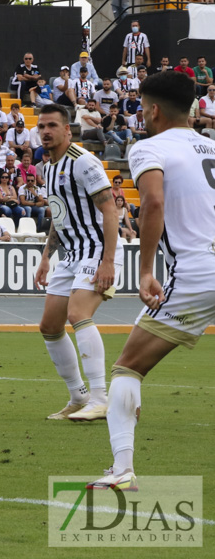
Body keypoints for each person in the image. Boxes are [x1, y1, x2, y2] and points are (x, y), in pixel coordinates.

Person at [87, 71, 215, 491]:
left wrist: (145, 270)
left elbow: (154, 201)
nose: (141, 115)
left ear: (154, 110)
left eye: (142, 108)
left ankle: (122, 469)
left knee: (127, 368)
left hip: (197, 273)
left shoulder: (149, 147)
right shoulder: (211, 147)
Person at [34, 104, 122, 422]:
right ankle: (78, 396)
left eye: (52, 125)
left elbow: (110, 210)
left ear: (67, 130)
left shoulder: (83, 161)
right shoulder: (49, 168)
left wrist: (108, 262)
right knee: (50, 326)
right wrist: (46, 258)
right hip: (71, 255)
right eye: (41, 126)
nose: (45, 131)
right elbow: (60, 216)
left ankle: (101, 398)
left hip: (97, 250)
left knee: (77, 314)